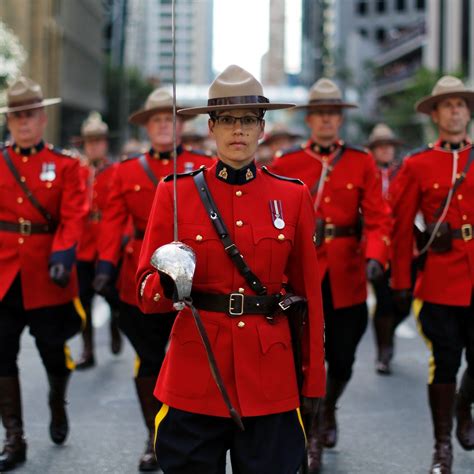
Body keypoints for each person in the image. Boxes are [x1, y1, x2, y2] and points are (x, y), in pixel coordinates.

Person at [136, 65, 326, 474]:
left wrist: (312, 383)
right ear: (211, 127)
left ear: (261, 127)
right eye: (226, 120)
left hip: (270, 378)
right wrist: (168, 279)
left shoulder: (292, 197)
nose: (237, 130)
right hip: (195, 370)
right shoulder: (174, 193)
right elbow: (145, 294)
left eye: (246, 120)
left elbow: (309, 298)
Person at [271, 78, 392, 472]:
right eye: (320, 113)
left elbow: (377, 218)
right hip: (302, 271)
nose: (326, 119)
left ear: (340, 119)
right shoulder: (287, 163)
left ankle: (329, 407)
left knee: (343, 358)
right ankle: (312, 430)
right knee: (304, 358)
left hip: (347, 272)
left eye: (332, 113)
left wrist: (376, 255)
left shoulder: (361, 162)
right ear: (310, 119)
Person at [93, 88, 213, 472]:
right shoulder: (125, 172)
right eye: (157, 119)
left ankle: (189, 434)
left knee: (192, 362)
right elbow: (112, 222)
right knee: (148, 360)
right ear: (146, 127)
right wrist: (104, 266)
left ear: (182, 125)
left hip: (196, 278)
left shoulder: (203, 165)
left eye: (171, 119)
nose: (165, 125)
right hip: (144, 279)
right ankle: (154, 436)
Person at [0, 77, 88, 471]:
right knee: (2, 354)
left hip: (47, 272)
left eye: (30, 114)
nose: (23, 122)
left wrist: (64, 254)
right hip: (3, 272)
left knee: (53, 350)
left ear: (42, 117)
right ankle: (14, 438)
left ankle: (56, 397)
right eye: (16, 115)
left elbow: (73, 214)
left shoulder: (66, 165)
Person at [390, 75, 474, 474]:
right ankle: (442, 447)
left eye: (461, 104)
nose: (455, 110)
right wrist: (401, 283)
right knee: (444, 361)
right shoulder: (417, 165)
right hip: (441, 279)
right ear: (436, 115)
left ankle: (463, 404)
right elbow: (401, 224)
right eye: (448, 105)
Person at [75, 112, 122, 369]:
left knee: (112, 294)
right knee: (83, 299)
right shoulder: (77, 171)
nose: (94, 145)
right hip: (83, 243)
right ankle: (88, 349)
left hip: (107, 240)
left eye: (98, 141)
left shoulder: (116, 171)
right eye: (89, 141)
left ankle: (115, 323)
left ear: (105, 143)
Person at [366, 123, 409, 375]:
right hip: (376, 245)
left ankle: (389, 330)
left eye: (388, 146)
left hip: (404, 244)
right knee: (382, 298)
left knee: (405, 298)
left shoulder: (403, 172)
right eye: (380, 146)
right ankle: (384, 350)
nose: (385, 150)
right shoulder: (366, 173)